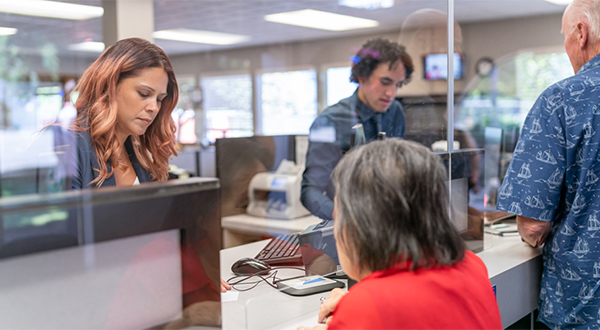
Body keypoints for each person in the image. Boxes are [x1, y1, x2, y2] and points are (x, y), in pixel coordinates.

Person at [298, 139, 502, 330]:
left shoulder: (367, 307)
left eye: (339, 215)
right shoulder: (472, 265)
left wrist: (354, 312)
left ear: (362, 225)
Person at [496, 0, 600, 328]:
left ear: (580, 33)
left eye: (565, 37)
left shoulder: (561, 101)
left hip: (581, 305)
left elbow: (533, 225)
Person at [301, 38, 413, 220]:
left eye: (397, 84)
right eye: (385, 82)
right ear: (363, 77)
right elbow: (310, 190)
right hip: (349, 222)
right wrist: (343, 216)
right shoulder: (330, 121)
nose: (391, 93)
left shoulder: (395, 111)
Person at [68, 37, 179, 189]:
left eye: (159, 99)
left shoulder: (136, 152)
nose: (154, 107)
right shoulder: (71, 145)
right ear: (110, 85)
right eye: (144, 94)